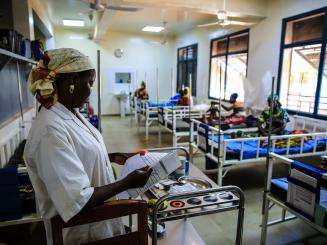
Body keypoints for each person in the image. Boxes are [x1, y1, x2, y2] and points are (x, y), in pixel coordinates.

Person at [24, 48, 153, 245]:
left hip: (100, 225)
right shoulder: (49, 129)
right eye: (90, 83)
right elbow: (78, 199)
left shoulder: (70, 112)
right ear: (72, 82)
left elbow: (76, 152)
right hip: (81, 234)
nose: (91, 91)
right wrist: (128, 182)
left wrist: (111, 156)